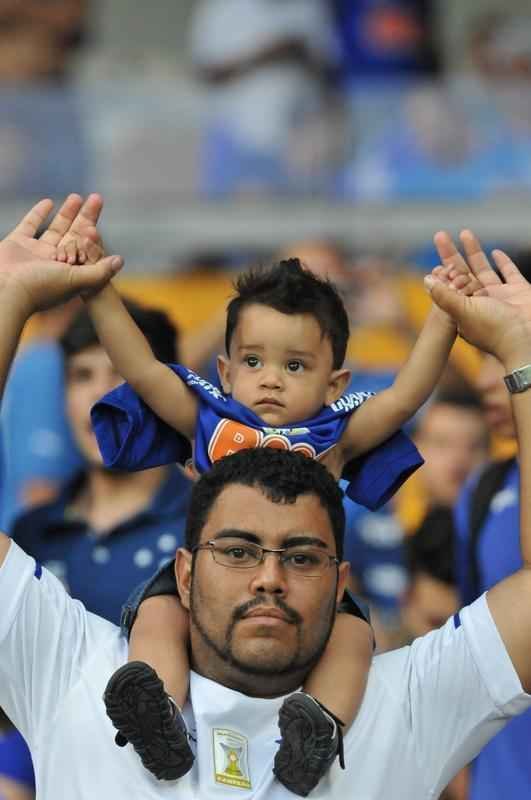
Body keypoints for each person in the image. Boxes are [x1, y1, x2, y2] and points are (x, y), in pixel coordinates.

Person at [2, 206, 531, 799]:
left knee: (353, 638)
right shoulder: (209, 424)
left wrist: (445, 319)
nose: (269, 578)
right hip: (164, 616)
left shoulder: (336, 436)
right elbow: (142, 369)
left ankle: (319, 731)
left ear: (335, 383)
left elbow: (407, 394)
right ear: (224, 372)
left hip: (340, 659)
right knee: (157, 618)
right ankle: (153, 711)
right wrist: (82, 290)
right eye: (236, 550)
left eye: (302, 555)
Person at [9, 298, 192, 626]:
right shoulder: (31, 533)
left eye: (121, 374)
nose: (99, 395)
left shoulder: (209, 523)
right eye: (82, 375)